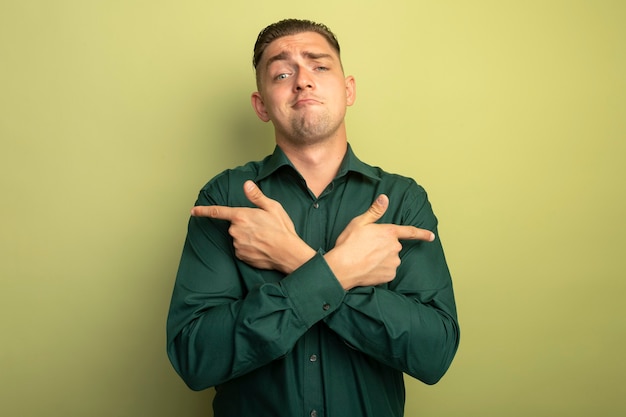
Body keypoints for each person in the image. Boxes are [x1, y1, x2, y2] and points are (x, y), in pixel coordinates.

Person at [167, 18, 460, 417]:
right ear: (261, 106)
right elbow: (195, 356)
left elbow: (434, 353)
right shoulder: (225, 198)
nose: (303, 81)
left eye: (319, 66)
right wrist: (340, 272)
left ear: (348, 89)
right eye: (282, 73)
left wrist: (295, 260)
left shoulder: (403, 200)